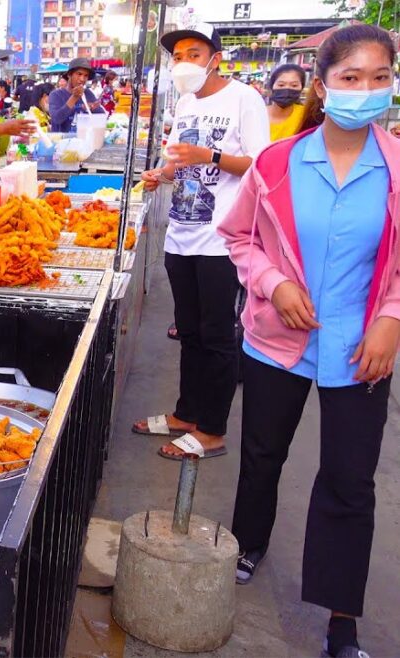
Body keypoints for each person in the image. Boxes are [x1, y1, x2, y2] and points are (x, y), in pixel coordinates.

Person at [219, 23, 400, 658]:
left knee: (350, 481)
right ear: (324, 87)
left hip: (362, 350)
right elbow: (239, 237)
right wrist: (273, 283)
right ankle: (248, 543)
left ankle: (342, 623)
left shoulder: (398, 166)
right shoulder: (277, 162)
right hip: (276, 340)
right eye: (352, 78)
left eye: (380, 78)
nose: (367, 90)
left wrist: (392, 318)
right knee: (262, 455)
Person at [134, 24, 270, 460]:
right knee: (189, 332)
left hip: (221, 239)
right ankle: (186, 413)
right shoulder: (186, 103)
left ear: (215, 57)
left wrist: (208, 156)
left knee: (217, 337)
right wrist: (161, 174)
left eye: (194, 52)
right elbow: (177, 160)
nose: (184, 62)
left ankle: (212, 430)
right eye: (177, 56)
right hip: (182, 234)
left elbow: (258, 165)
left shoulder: (244, 98)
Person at [48, 57, 106, 133]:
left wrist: (92, 107)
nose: (82, 79)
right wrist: (74, 97)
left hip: (83, 140)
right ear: (69, 75)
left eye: (85, 76)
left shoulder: (87, 93)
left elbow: (102, 116)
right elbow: (57, 119)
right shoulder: (56, 95)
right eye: (79, 74)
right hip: (61, 142)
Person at [266, 63, 308, 141]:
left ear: (302, 88)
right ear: (272, 86)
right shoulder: (258, 113)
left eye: (294, 85)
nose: (287, 89)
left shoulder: (306, 115)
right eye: (281, 85)